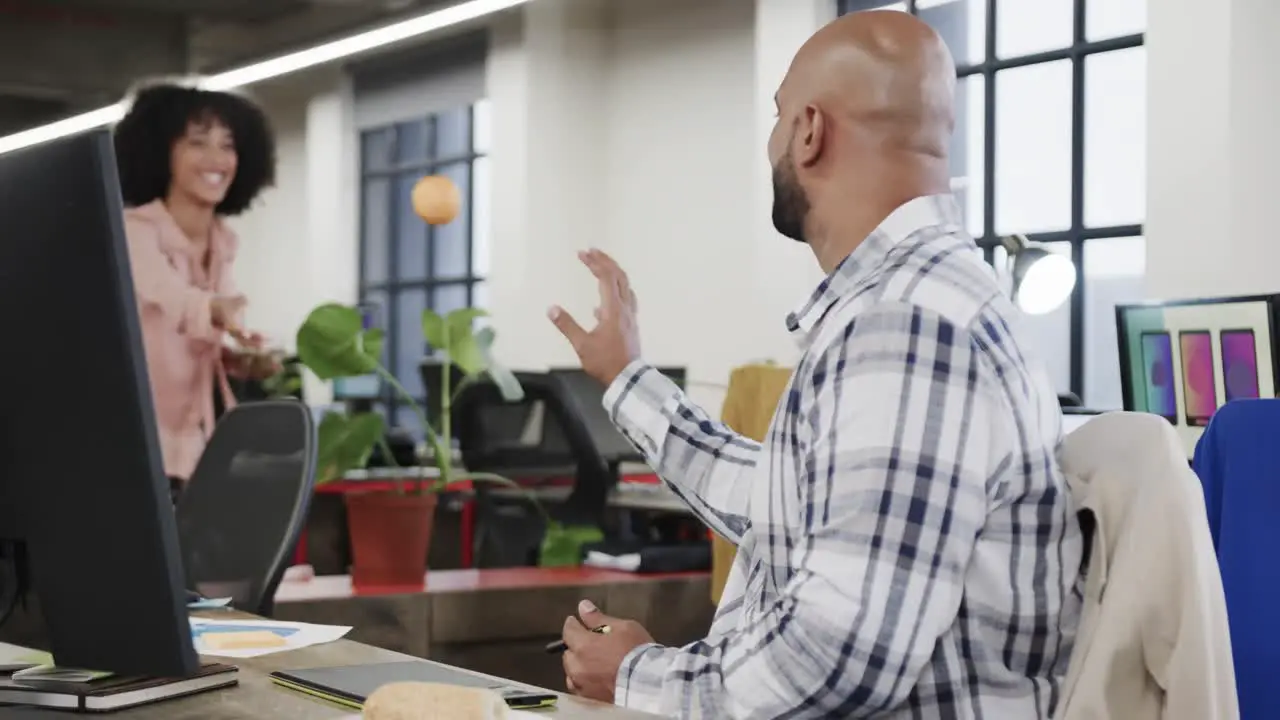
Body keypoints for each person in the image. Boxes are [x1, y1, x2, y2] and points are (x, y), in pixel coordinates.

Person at [548, 10, 1082, 719]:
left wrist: (639, 678)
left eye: (776, 118)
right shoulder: (914, 303)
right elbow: (784, 504)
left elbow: (841, 659)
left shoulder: (907, 326)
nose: (772, 141)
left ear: (808, 130)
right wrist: (626, 379)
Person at [114, 83, 279, 488]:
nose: (217, 159)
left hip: (195, 444)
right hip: (132, 441)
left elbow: (191, 340)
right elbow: (172, 299)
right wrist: (217, 309)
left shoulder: (222, 241)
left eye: (228, 146)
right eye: (198, 143)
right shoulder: (134, 231)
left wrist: (234, 358)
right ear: (160, 151)